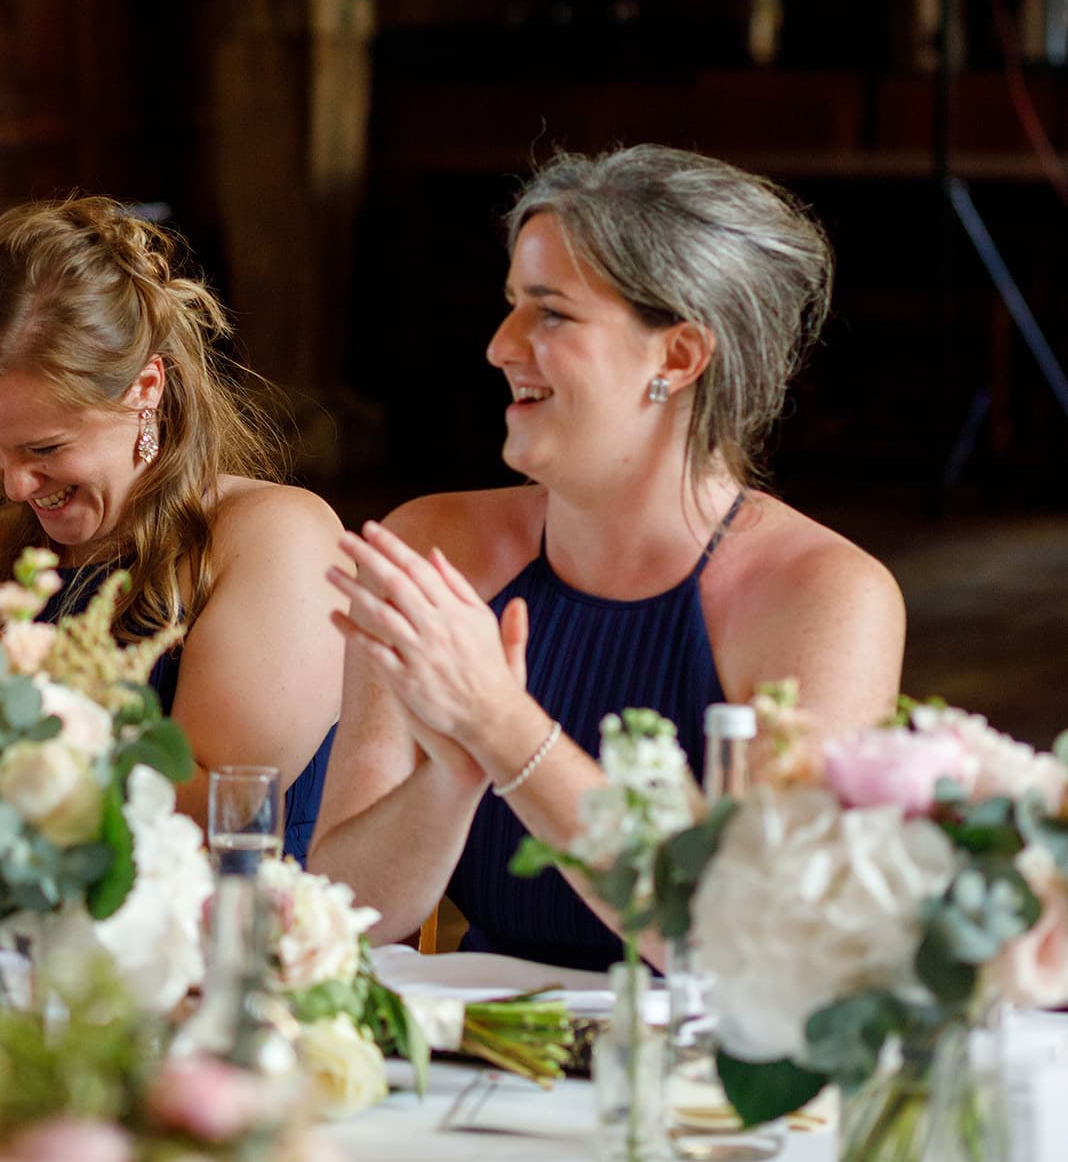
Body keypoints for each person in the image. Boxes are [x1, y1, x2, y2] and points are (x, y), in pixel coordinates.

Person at [309, 145, 905, 969]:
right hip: (468, 1071)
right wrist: (449, 777)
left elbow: (749, 945)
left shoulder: (826, 597)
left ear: (678, 357)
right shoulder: (435, 547)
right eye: (513, 303)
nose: (500, 345)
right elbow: (342, 914)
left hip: (696, 1082)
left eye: (549, 313)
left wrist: (500, 726)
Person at [0, 198, 345, 857]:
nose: (15, 485)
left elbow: (206, 820)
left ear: (146, 389)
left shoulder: (275, 540)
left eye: (45, 449)